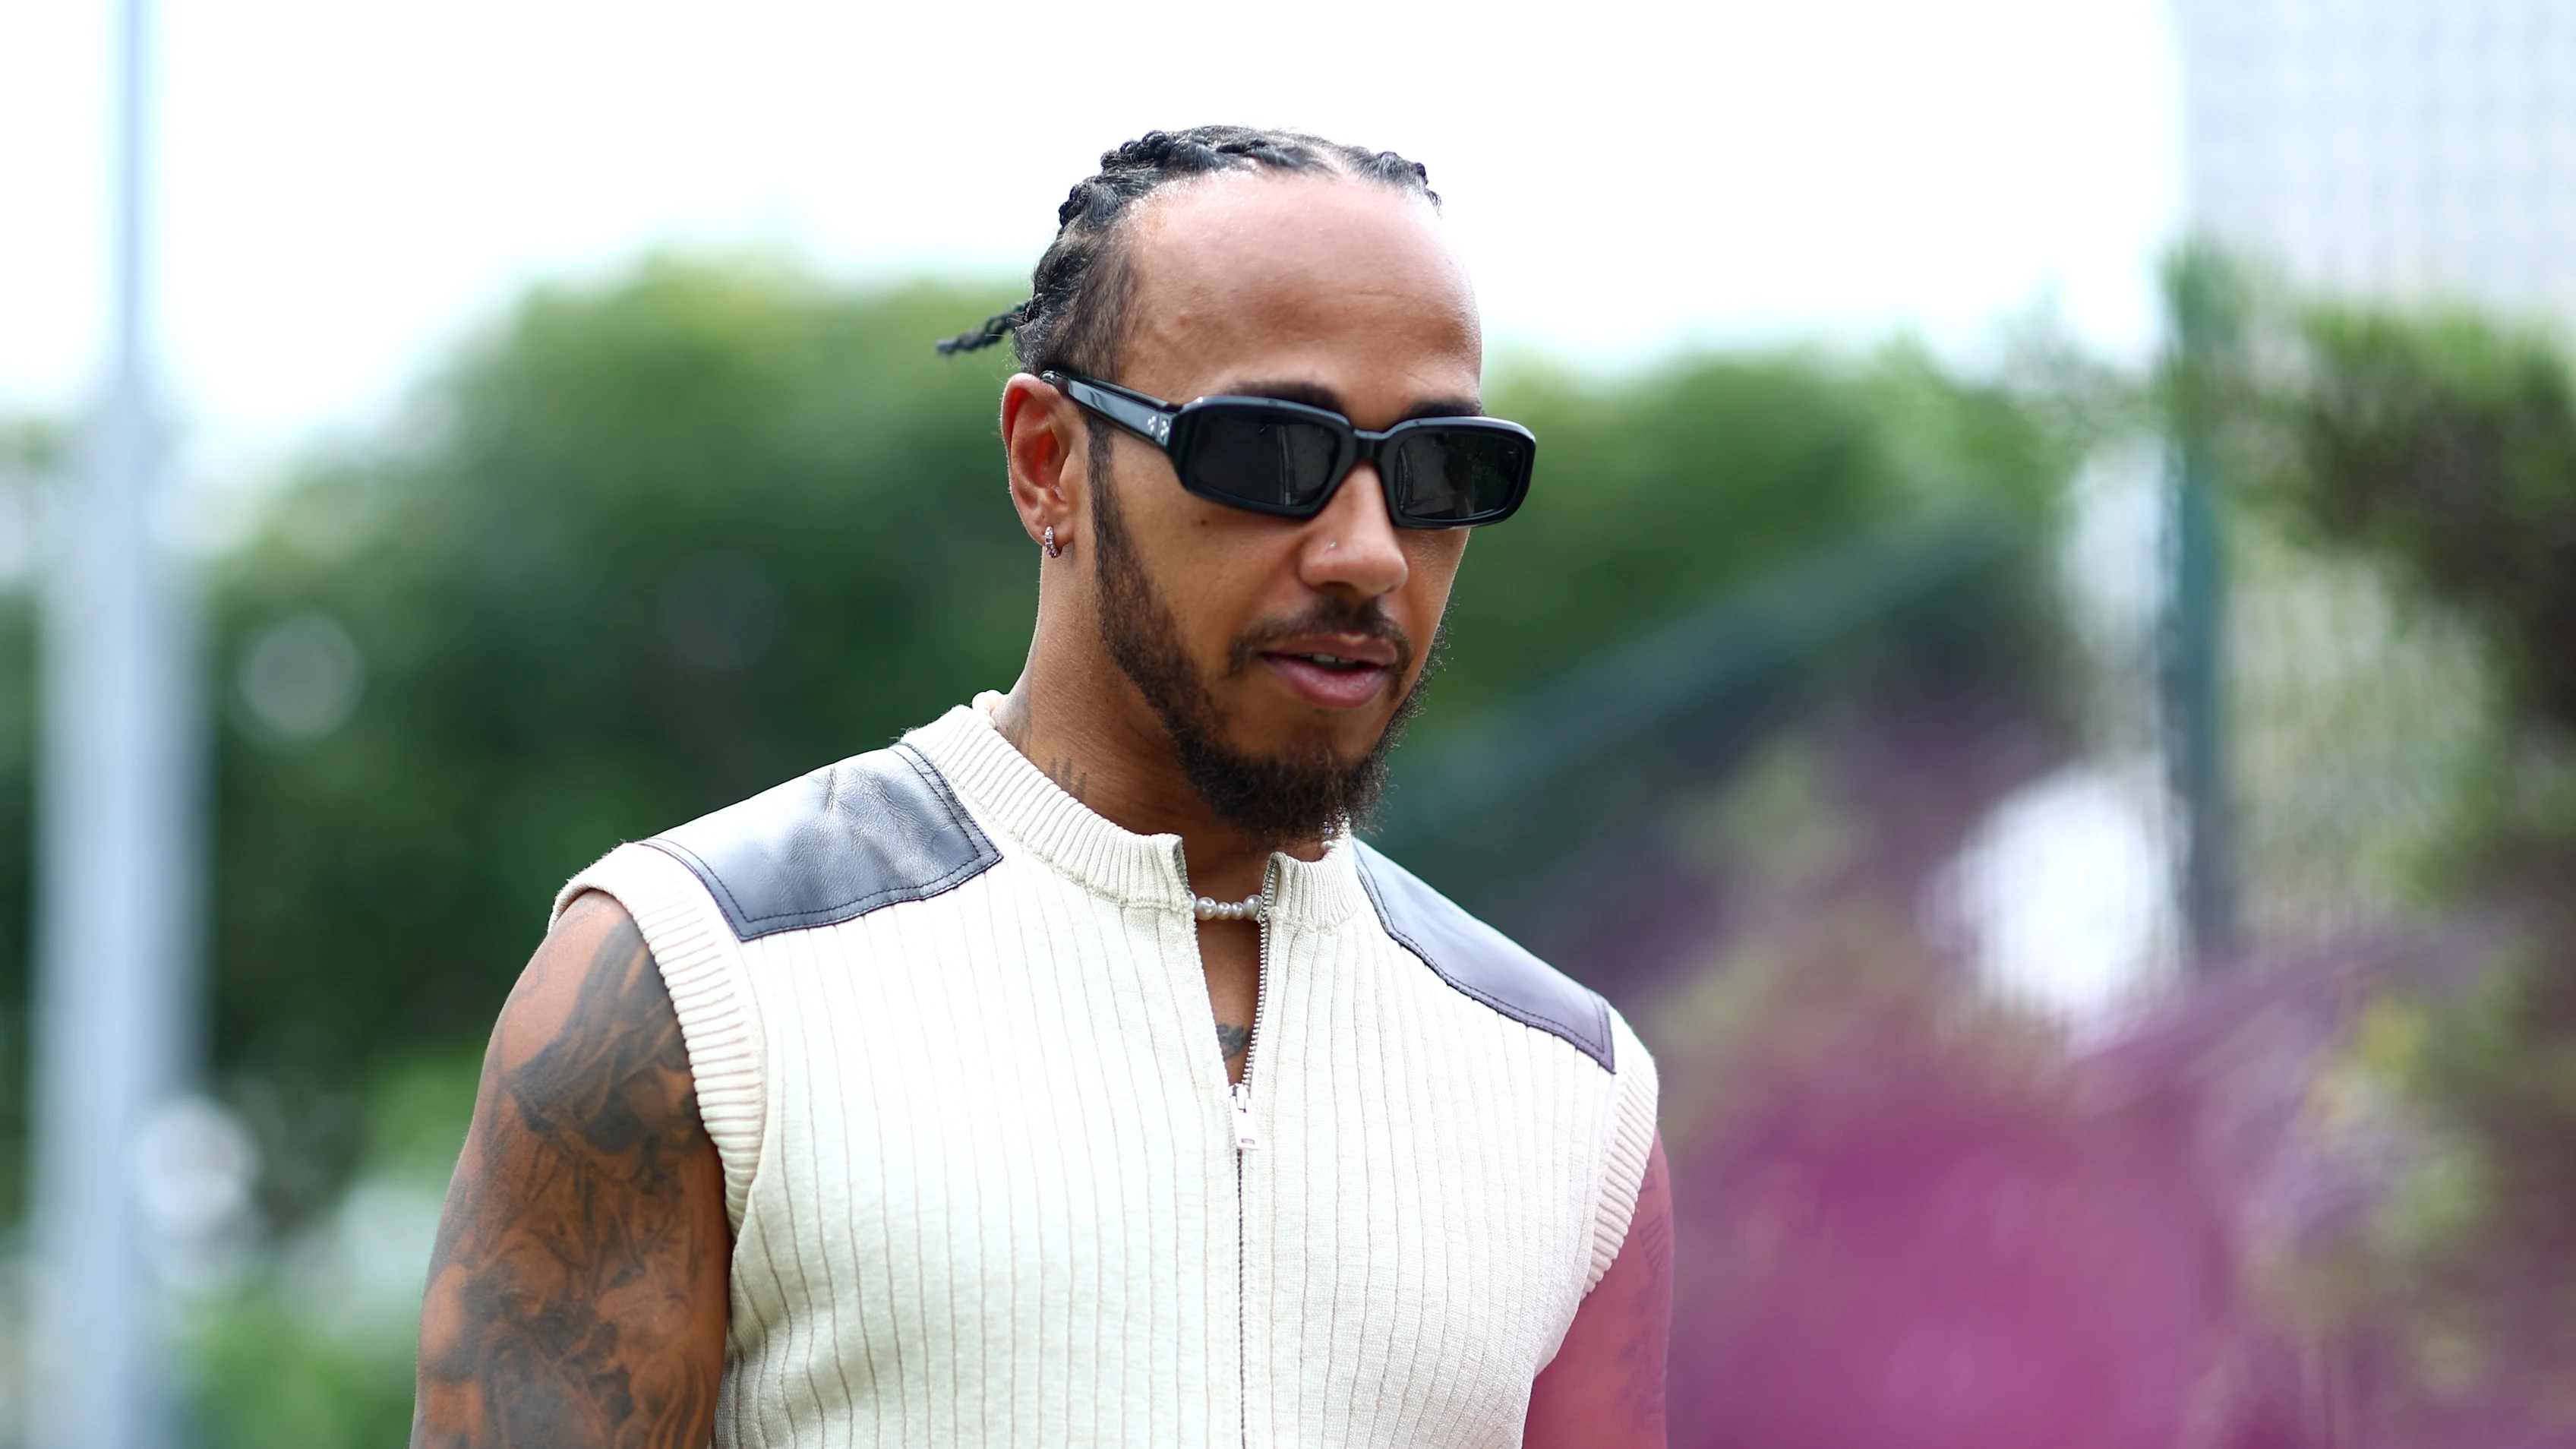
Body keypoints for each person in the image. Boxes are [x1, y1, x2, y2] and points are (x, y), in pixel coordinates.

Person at [412, 125, 1669, 1448]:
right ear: (1048, 463)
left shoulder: (1567, 1093)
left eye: (1437, 475)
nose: (1366, 552)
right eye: (1267, 453)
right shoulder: (694, 986)